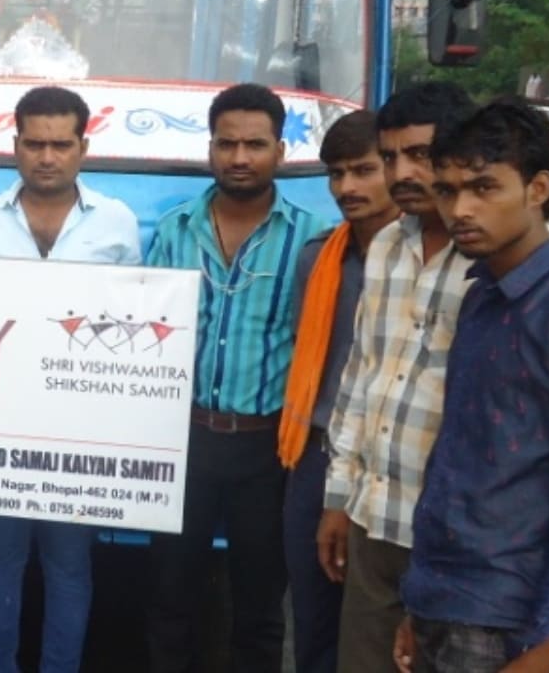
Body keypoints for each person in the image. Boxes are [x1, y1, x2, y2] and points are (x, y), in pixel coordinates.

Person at [396, 99, 549, 672]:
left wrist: (544, 652)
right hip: (444, 600)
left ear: (538, 189)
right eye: (447, 190)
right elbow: (460, 462)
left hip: (511, 624)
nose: (460, 209)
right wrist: (420, 601)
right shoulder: (482, 296)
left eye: (484, 187)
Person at [0, 85, 142, 673]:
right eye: (34, 143)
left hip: (79, 427)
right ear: (15, 145)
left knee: (68, 565)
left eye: (60, 145)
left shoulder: (116, 221)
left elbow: (134, 323)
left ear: (83, 148)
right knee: (0, 559)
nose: (46, 157)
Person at [143, 83, 327, 673]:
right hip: (183, 441)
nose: (239, 157)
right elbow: (143, 333)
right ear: (210, 149)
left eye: (255, 144)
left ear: (280, 151)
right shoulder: (174, 230)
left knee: (259, 605)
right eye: (227, 144)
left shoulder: (313, 239)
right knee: (170, 595)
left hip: (268, 449)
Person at [318, 83, 477, 673]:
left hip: (456, 538)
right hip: (374, 519)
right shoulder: (387, 245)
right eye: (390, 157)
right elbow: (361, 379)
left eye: (420, 155)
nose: (402, 173)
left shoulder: (498, 258)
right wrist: (338, 500)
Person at [277, 111, 398, 673]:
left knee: (380, 624)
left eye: (363, 170)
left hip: (393, 463)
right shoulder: (318, 258)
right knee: (313, 614)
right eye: (336, 174)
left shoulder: (427, 263)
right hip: (317, 454)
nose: (347, 187)